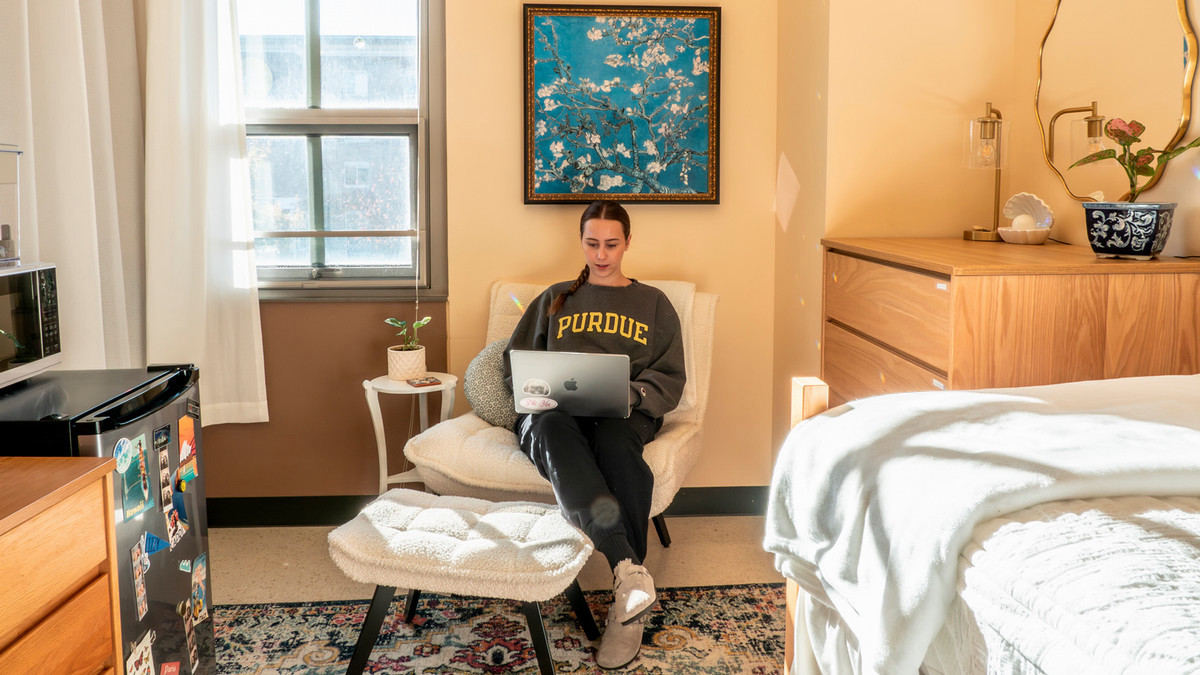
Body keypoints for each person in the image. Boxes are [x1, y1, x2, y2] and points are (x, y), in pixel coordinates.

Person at [503, 200, 686, 669]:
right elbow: (515, 365)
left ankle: (627, 613)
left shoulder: (654, 304)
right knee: (551, 427)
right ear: (580, 241)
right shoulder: (555, 298)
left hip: (624, 413)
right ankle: (628, 569)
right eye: (591, 244)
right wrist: (536, 392)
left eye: (611, 244)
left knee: (617, 446)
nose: (601, 254)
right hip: (554, 414)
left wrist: (633, 396)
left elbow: (670, 378)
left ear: (628, 242)